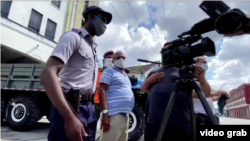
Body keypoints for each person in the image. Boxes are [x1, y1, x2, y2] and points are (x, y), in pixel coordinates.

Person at [41, 5, 112, 141]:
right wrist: (69, 117)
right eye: (102, 20)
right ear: (91, 17)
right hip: (71, 105)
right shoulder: (73, 37)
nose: (104, 25)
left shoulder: (92, 48)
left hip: (88, 107)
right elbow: (48, 73)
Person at [141, 43, 211, 141]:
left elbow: (206, 93)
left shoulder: (185, 71)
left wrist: (202, 78)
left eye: (171, 50)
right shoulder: (154, 72)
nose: (167, 53)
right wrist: (149, 80)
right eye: (164, 51)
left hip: (178, 124)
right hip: (154, 122)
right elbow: (144, 88)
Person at [98, 51, 134, 141]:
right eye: (118, 58)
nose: (121, 59)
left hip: (125, 116)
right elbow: (101, 90)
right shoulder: (109, 71)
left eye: (123, 57)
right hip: (113, 117)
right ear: (113, 61)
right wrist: (105, 114)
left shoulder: (125, 75)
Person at [95, 51, 114, 141]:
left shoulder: (114, 73)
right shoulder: (97, 71)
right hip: (96, 103)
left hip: (109, 105)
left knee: (106, 128)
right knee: (92, 125)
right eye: (108, 57)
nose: (110, 59)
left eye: (112, 57)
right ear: (104, 60)